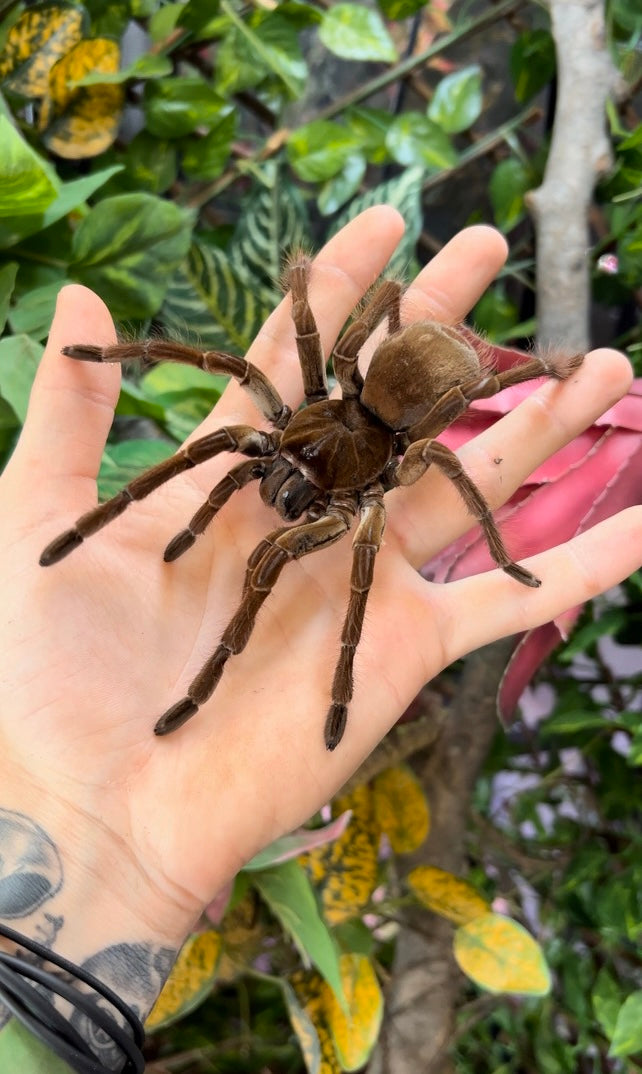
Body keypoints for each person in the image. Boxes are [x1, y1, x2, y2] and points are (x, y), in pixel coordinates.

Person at [0, 206, 640, 1070]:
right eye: (280, 467)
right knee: (228, 436)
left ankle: (238, 683)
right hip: (365, 398)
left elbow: (441, 465)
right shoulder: (292, 413)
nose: (280, 487)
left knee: (299, 562)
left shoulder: (392, 477)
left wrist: (493, 533)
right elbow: (262, 351)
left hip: (400, 417)